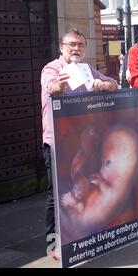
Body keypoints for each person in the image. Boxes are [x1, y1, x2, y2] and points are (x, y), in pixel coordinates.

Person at [40, 28, 118, 260]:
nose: (76, 48)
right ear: (61, 47)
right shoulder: (52, 68)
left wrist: (106, 85)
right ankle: (54, 243)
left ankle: (80, 238)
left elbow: (113, 82)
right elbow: (50, 88)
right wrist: (60, 87)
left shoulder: (86, 69)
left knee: (82, 186)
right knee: (56, 192)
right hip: (57, 141)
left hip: (82, 141)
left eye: (81, 45)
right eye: (72, 44)